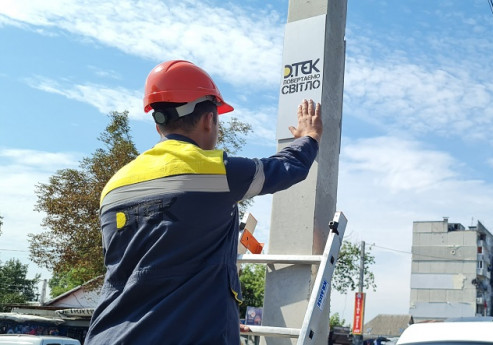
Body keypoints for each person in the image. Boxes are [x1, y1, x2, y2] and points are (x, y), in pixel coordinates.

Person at [85, 60, 323, 344]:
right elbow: (287, 168)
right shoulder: (214, 171)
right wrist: (309, 137)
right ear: (209, 119)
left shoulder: (114, 185)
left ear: (159, 123)